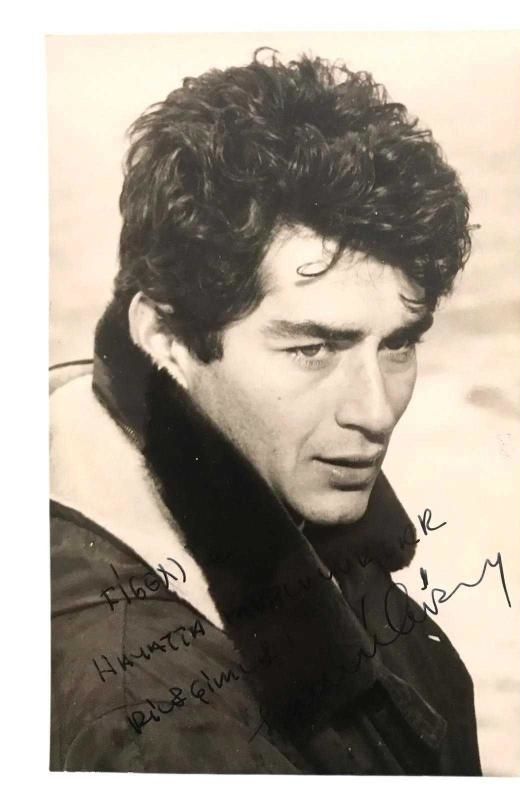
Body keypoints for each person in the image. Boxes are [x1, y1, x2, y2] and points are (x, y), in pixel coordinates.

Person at [49, 50, 481, 774]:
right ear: (165, 338)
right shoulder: (151, 727)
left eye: (399, 345)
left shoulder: (293, 510)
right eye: (313, 349)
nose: (376, 410)